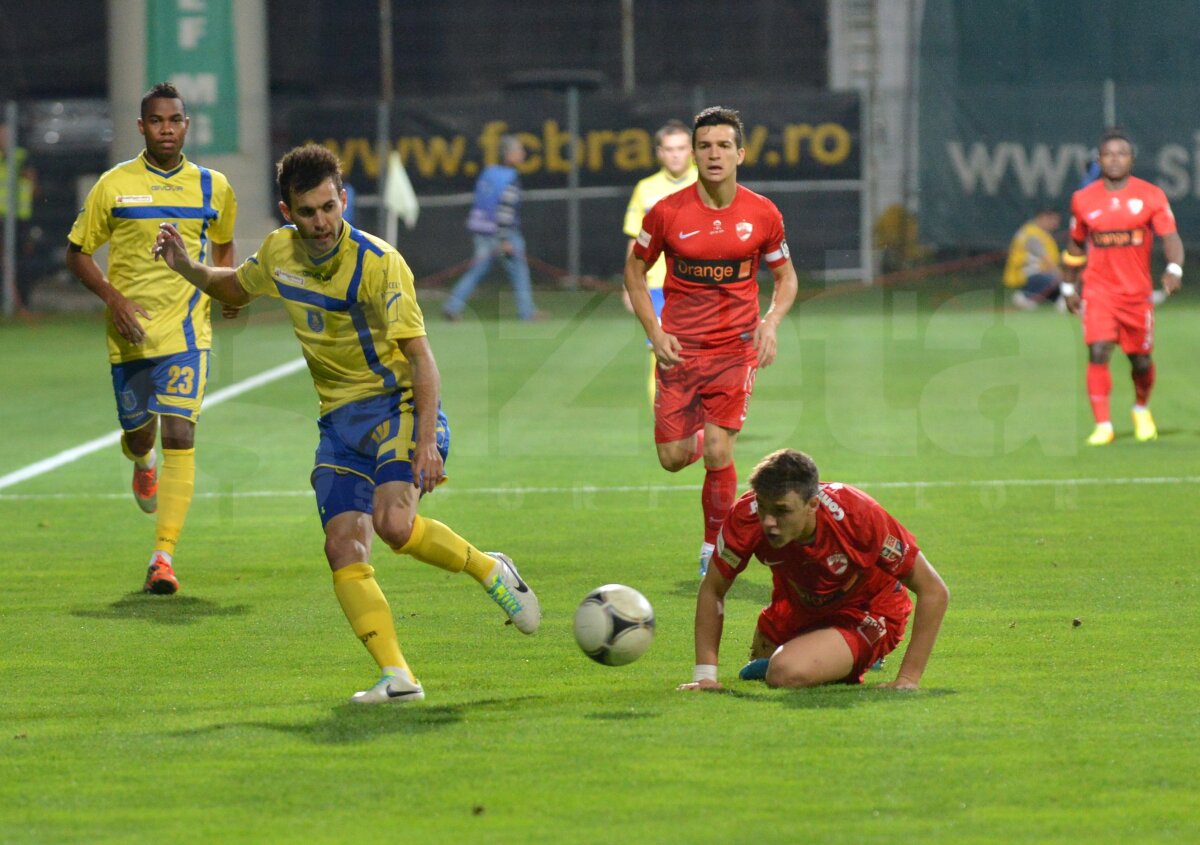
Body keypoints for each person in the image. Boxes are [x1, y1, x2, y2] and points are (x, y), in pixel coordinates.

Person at [152, 143, 541, 704]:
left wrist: (427, 440)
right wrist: (188, 267)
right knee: (343, 548)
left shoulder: (379, 262)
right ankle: (398, 677)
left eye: (329, 208)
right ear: (288, 211)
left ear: (345, 199)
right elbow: (235, 287)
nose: (321, 222)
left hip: (396, 409)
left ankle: (489, 570)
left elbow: (421, 357)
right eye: (308, 212)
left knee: (394, 527)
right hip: (338, 424)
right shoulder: (279, 252)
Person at [65, 82, 238, 594]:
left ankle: (162, 557)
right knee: (142, 434)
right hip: (131, 335)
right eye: (157, 121)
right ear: (142, 127)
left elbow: (224, 244)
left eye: (175, 120)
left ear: (187, 125)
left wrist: (227, 287)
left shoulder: (214, 187)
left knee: (180, 433)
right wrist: (114, 299)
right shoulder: (114, 186)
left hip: (188, 333)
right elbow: (76, 252)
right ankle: (142, 459)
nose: (167, 128)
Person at [624, 106, 798, 577]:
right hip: (680, 350)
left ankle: (712, 549)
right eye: (705, 146)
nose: (713, 154)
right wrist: (655, 331)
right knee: (673, 458)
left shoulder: (762, 213)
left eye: (723, 145)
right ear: (695, 154)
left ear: (740, 153)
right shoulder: (666, 213)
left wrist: (771, 323)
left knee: (720, 451)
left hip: (735, 348)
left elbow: (786, 278)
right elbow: (635, 271)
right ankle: (705, 437)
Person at [678, 449, 949, 692]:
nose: (769, 522)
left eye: (782, 511)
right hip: (801, 606)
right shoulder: (746, 517)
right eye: (763, 507)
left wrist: (908, 679)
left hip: (868, 610)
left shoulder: (857, 516)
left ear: (813, 505)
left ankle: (861, 650)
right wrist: (705, 676)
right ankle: (842, 656)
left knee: (785, 671)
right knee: (763, 661)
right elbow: (713, 588)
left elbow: (934, 591)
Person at [1061, 128, 1184, 446]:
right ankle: (1103, 425)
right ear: (1098, 159)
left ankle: (1141, 408)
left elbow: (1170, 236)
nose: (1114, 159)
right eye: (1108, 154)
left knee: (1140, 361)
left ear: (1131, 159)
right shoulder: (1083, 200)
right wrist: (1067, 287)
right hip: (1098, 291)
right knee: (1098, 350)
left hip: (1136, 295)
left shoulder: (1151, 195)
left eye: (1121, 153)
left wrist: (1173, 268)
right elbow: (1075, 247)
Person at [622, 119, 698, 403]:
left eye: (681, 148)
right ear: (660, 153)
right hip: (656, 286)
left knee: (701, 357)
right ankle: (665, 420)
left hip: (699, 284)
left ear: (691, 151)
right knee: (661, 355)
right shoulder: (646, 189)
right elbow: (635, 238)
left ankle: (701, 422)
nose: (676, 154)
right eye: (669, 149)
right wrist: (630, 285)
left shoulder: (709, 183)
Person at [443, 134, 544, 321]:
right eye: (518, 150)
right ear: (508, 154)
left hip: (481, 230)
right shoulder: (510, 178)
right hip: (503, 233)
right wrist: (504, 239)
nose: (522, 154)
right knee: (520, 271)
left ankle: (452, 305)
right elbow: (505, 210)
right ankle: (527, 312)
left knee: (477, 270)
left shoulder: (488, 173)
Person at [0, 122, 38, 312]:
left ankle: (22, 303)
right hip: (1, 217)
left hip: (20, 218)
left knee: (21, 260)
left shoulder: (22, 156)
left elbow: (32, 183)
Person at [1003, 208, 1064, 310]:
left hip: (1037, 273)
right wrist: (1061, 275)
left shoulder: (1037, 233)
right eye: (1053, 221)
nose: (1056, 225)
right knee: (1055, 280)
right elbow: (1046, 259)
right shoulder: (1032, 235)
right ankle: (1025, 296)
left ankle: (1059, 300)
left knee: (1056, 282)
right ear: (1043, 218)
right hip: (1028, 275)